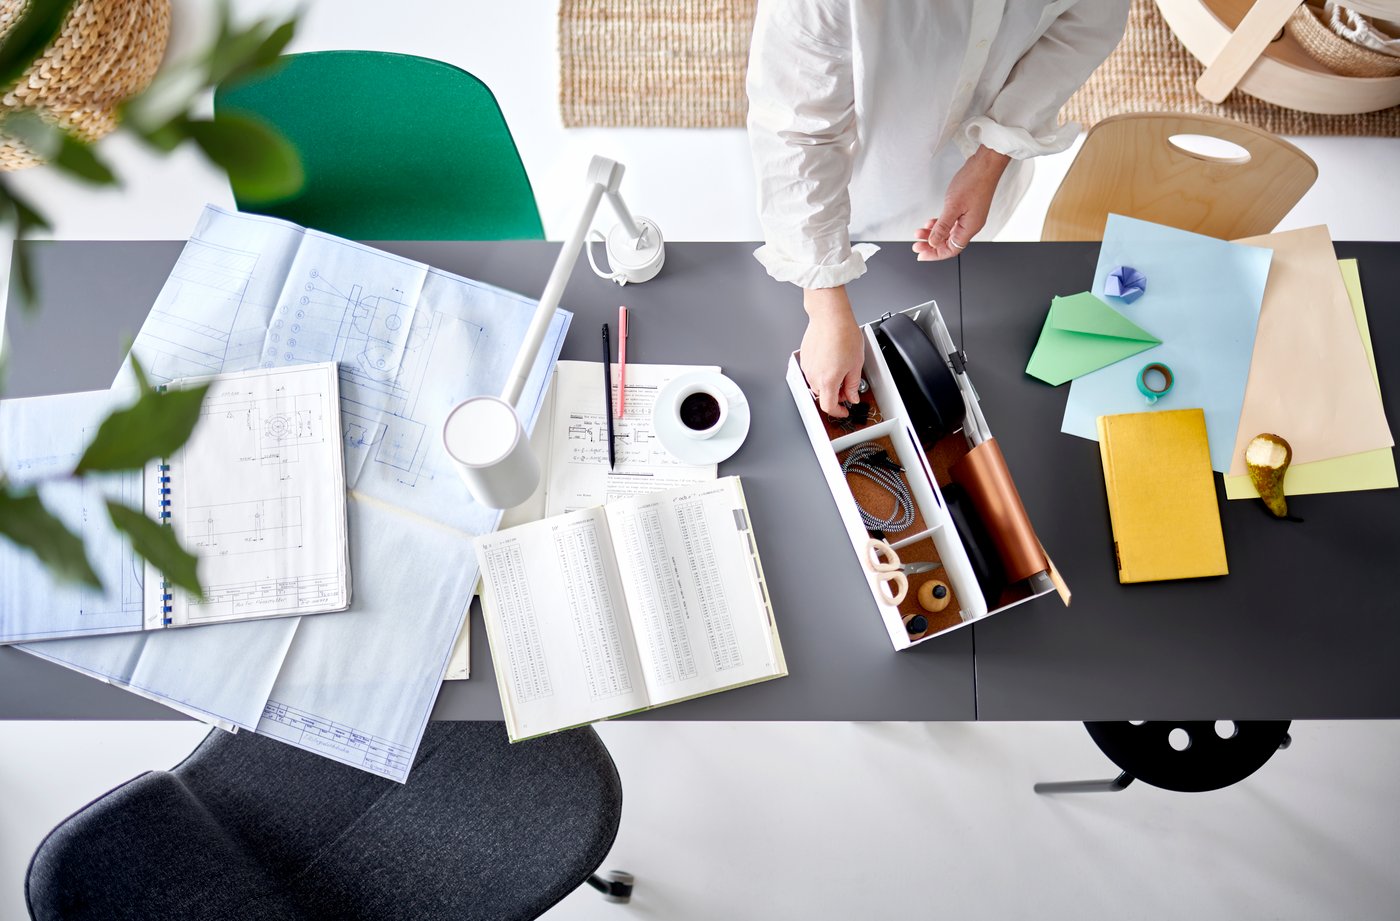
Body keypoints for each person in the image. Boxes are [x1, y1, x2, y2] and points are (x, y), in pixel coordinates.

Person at [747, 0, 1129, 417]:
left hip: (984, 183)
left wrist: (990, 160)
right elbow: (797, 133)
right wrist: (823, 304)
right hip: (863, 178)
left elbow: (1081, 31)